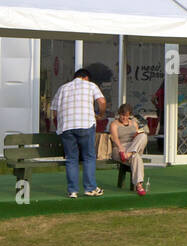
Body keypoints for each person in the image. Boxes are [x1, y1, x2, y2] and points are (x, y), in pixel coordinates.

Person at [52, 68, 107, 198]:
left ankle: (72, 191)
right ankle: (90, 188)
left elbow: (54, 111)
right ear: (86, 78)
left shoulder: (63, 88)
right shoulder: (91, 85)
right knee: (89, 157)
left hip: (66, 127)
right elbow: (102, 102)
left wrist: (60, 124)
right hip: (85, 124)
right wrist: (100, 114)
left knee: (71, 159)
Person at [108, 103, 148, 195]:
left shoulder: (134, 123)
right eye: (122, 115)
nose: (124, 118)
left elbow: (138, 137)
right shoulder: (114, 124)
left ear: (129, 115)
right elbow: (115, 138)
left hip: (132, 147)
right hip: (120, 148)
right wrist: (121, 148)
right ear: (119, 114)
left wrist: (136, 136)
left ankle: (129, 153)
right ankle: (139, 185)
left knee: (143, 135)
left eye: (126, 116)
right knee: (136, 157)